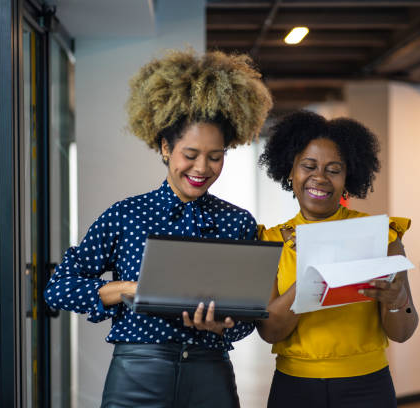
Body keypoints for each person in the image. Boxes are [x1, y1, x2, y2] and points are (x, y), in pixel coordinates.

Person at [44, 50, 272, 408]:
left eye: (216, 156)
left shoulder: (238, 222)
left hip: (210, 373)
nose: (202, 167)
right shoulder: (126, 215)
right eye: (190, 154)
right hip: (137, 373)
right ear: (166, 148)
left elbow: (250, 316)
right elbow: (58, 289)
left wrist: (223, 325)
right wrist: (125, 290)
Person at [256, 110, 418, 408]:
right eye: (308, 166)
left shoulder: (382, 235)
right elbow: (269, 331)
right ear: (290, 171)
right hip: (295, 387)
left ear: (348, 177)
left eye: (334, 169)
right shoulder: (271, 241)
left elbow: (403, 333)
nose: (319, 177)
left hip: (368, 386)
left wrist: (398, 301)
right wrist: (312, 274)